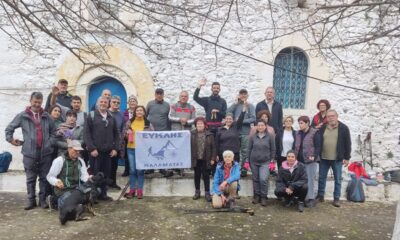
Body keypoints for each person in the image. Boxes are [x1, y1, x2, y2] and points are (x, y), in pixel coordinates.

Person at [5, 92, 56, 210]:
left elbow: (54, 132)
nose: (37, 104)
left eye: (39, 102)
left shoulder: (46, 116)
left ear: (42, 102)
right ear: (30, 101)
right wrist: (11, 140)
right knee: (30, 178)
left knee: (44, 178)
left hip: (45, 153)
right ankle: (31, 200)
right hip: (29, 153)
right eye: (35, 102)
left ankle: (42, 201)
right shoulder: (22, 116)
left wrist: (50, 143)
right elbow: (9, 129)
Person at [84, 96, 120, 201]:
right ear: (98, 103)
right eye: (101, 102)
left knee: (106, 174)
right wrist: (91, 148)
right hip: (95, 152)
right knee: (95, 175)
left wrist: (115, 149)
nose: (103, 103)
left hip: (108, 152)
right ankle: (93, 196)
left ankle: (103, 194)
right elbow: (86, 133)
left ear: (108, 104)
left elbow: (116, 134)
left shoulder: (111, 117)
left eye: (105, 102)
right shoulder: (91, 115)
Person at [316, 109, 351, 207]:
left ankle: (336, 199)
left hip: (337, 159)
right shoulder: (323, 127)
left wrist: (347, 157)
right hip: (324, 158)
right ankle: (320, 196)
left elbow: (348, 144)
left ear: (337, 116)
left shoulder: (343, 128)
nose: (330, 118)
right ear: (326, 118)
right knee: (321, 178)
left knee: (338, 180)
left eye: (332, 116)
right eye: (328, 116)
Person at [46, 140, 89, 210]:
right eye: (75, 150)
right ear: (69, 149)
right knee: (70, 203)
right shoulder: (59, 160)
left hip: (76, 188)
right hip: (63, 190)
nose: (78, 152)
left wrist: (89, 179)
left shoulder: (81, 161)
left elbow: (84, 175)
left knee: (94, 192)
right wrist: (56, 182)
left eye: (79, 151)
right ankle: (54, 201)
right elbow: (50, 176)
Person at [123, 106, 153, 199]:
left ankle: (139, 190)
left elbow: (153, 136)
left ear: (144, 112)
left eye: (141, 110)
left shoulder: (148, 123)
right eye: (137, 110)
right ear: (135, 112)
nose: (139, 112)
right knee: (132, 170)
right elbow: (123, 134)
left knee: (140, 170)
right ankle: (132, 190)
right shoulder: (130, 122)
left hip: (142, 150)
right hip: (131, 148)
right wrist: (126, 133)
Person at [227, 89, 256, 177]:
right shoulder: (236, 105)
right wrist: (235, 102)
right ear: (239, 95)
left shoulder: (250, 106)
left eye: (245, 94)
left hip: (245, 133)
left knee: (244, 151)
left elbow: (253, 118)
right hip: (235, 132)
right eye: (241, 94)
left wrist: (241, 121)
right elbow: (227, 111)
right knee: (235, 151)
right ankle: (235, 168)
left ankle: (243, 168)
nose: (243, 96)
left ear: (247, 95)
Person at [247, 119, 276, 206]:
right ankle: (257, 196)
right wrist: (247, 161)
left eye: (262, 125)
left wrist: (272, 160)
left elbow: (273, 149)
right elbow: (249, 149)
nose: (260, 127)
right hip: (253, 161)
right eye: (258, 125)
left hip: (265, 162)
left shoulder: (270, 136)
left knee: (263, 179)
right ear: (256, 126)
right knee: (255, 179)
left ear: (265, 126)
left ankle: (263, 197)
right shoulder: (252, 136)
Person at [294, 116, 320, 208]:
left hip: (310, 160)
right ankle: (302, 198)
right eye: (299, 123)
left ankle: (311, 199)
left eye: (301, 123)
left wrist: (314, 156)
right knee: (300, 180)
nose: (300, 125)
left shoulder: (314, 132)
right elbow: (295, 146)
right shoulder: (297, 133)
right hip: (299, 160)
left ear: (307, 123)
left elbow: (318, 147)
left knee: (310, 180)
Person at [146, 88, 172, 176]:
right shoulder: (150, 104)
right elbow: (146, 116)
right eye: (158, 93)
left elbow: (168, 118)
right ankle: (150, 169)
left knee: (161, 151)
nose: (159, 95)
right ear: (155, 94)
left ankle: (162, 168)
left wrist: (168, 131)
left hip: (163, 132)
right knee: (151, 149)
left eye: (161, 94)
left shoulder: (167, 105)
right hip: (151, 133)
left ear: (163, 94)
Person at [191, 117, 216, 202]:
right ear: (195, 125)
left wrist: (213, 158)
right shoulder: (192, 134)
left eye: (201, 123)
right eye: (198, 124)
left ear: (204, 125)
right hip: (196, 158)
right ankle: (197, 192)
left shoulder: (210, 134)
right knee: (196, 176)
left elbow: (214, 148)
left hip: (206, 158)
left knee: (206, 176)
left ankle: (207, 193)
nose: (199, 125)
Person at [108, 95, 125, 190]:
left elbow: (122, 129)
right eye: (114, 102)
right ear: (110, 103)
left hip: (117, 142)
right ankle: (105, 184)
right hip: (107, 142)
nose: (116, 104)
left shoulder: (121, 115)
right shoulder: (106, 113)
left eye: (118, 103)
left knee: (114, 165)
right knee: (107, 165)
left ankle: (113, 183)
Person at [122, 95, 138, 176]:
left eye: (134, 101)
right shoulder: (124, 113)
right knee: (127, 154)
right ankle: (127, 170)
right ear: (128, 103)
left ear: (136, 103)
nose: (132, 102)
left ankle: (137, 170)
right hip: (127, 136)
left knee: (137, 153)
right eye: (131, 101)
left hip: (137, 136)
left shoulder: (139, 111)